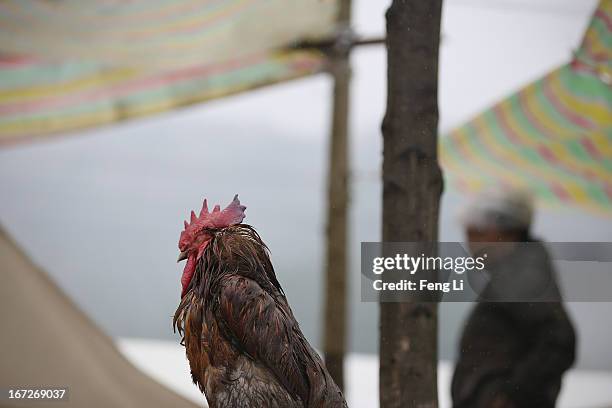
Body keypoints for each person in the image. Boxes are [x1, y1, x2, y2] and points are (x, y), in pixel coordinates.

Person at [451, 188, 576, 408]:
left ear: (507, 232)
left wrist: (511, 396)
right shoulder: (516, 271)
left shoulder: (523, 274)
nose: (470, 243)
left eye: (477, 233)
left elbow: (559, 339)